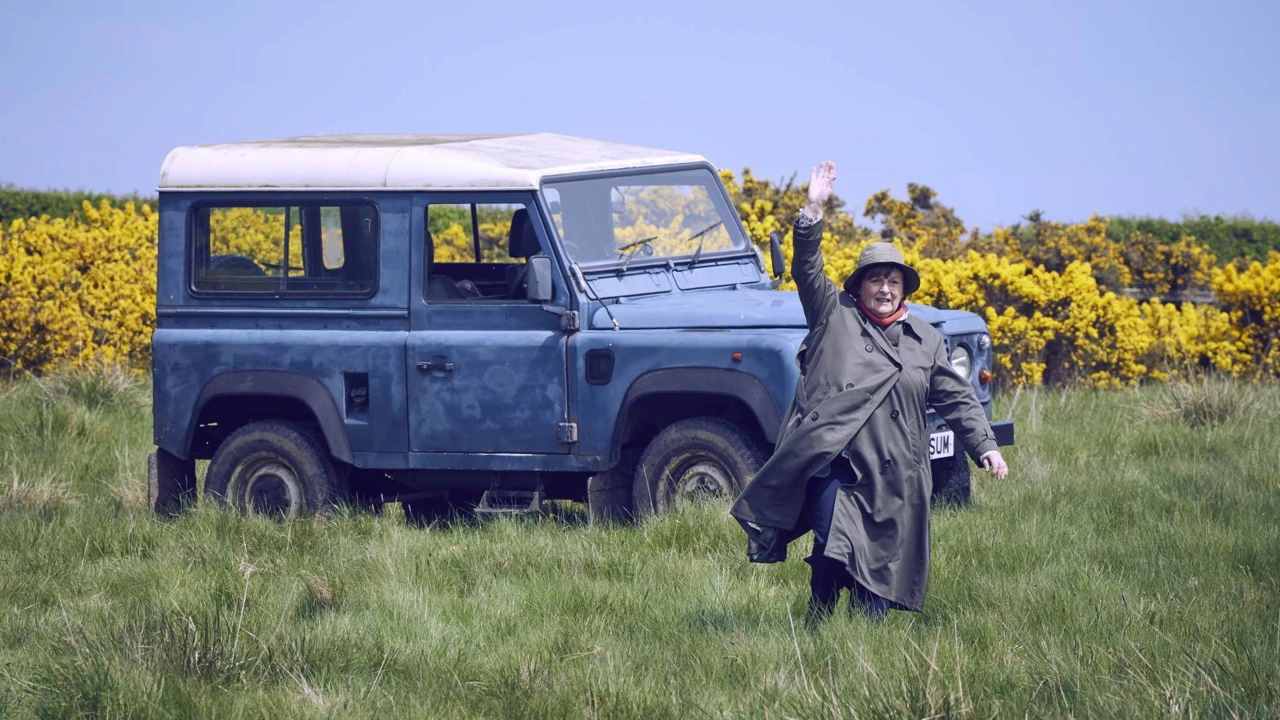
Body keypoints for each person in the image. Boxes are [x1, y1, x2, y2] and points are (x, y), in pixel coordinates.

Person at [730, 160, 1009, 623]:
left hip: (895, 475)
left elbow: (956, 398)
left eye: (893, 280)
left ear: (903, 288)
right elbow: (806, 267)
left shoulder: (925, 340)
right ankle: (819, 620)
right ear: (860, 285)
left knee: (877, 569)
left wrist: (985, 446)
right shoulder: (833, 314)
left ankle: (865, 643)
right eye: (876, 279)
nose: (884, 288)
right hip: (834, 463)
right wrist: (813, 209)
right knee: (831, 545)